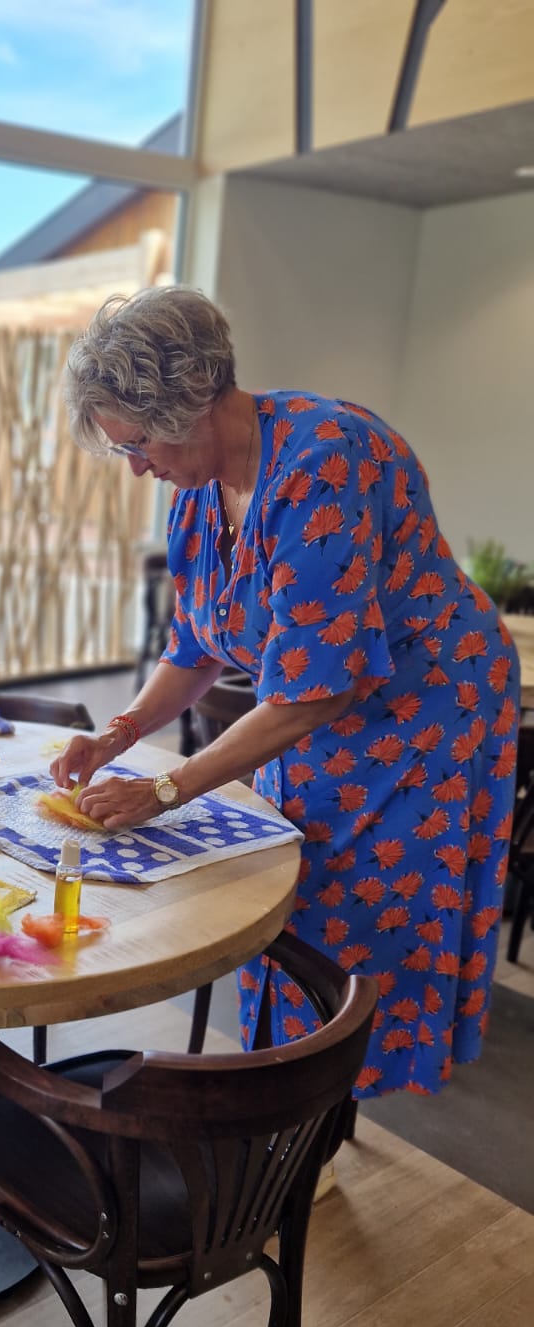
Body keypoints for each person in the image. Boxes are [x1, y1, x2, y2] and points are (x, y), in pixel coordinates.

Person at [53, 286, 519, 1098]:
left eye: (139, 443)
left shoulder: (323, 462)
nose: (137, 467)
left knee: (367, 918)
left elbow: (313, 695)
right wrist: (118, 735)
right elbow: (194, 648)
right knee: (294, 893)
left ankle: (327, 1106)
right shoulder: (198, 493)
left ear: (188, 402)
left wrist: (165, 790)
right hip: (320, 707)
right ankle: (294, 1099)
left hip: (426, 709)